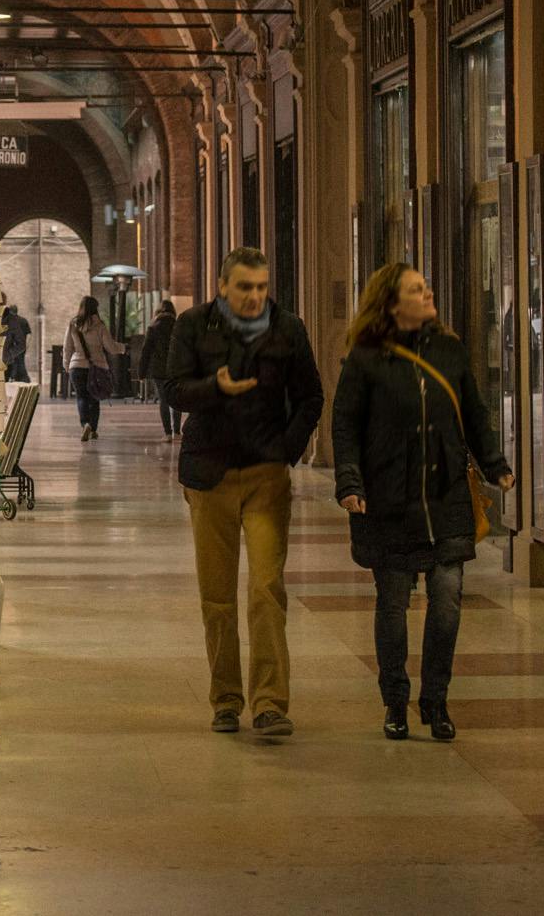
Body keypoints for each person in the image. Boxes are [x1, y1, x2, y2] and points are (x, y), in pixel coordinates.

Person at [331, 263, 514, 743]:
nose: (428, 292)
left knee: (448, 599)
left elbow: (472, 412)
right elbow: (345, 425)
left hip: (446, 494)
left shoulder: (449, 351)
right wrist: (350, 482)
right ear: (392, 303)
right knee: (392, 602)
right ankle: (395, 701)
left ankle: (436, 698)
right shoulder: (365, 358)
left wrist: (494, 464)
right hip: (388, 499)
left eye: (426, 286)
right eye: (417, 289)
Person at [165, 247, 323, 738]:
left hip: (264, 476)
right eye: (245, 287)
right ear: (222, 287)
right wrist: (215, 387)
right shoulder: (193, 326)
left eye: (261, 287)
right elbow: (173, 389)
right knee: (217, 596)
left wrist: (286, 453)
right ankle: (226, 700)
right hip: (208, 474)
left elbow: (311, 396)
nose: (255, 296)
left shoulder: (289, 329)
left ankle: (271, 702)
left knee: (266, 590)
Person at [64, 295, 123, 440]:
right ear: (95, 308)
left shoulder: (73, 324)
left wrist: (66, 365)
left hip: (76, 367)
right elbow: (110, 347)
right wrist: (122, 348)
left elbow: (67, 348)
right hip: (96, 367)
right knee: (94, 398)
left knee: (81, 397)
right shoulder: (100, 326)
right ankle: (93, 429)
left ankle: (85, 424)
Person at [137, 300, 182, 438]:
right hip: (176, 368)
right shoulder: (179, 326)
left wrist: (142, 372)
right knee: (175, 399)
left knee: (164, 399)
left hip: (159, 370)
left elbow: (146, 351)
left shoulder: (153, 327)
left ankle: (167, 433)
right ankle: (177, 432)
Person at [0, 304, 32, 383]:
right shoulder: (23, 320)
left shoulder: (10, 320)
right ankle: (22, 380)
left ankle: (15, 378)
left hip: (9, 348)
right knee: (20, 364)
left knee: (15, 364)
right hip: (18, 347)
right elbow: (29, 334)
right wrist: (26, 346)